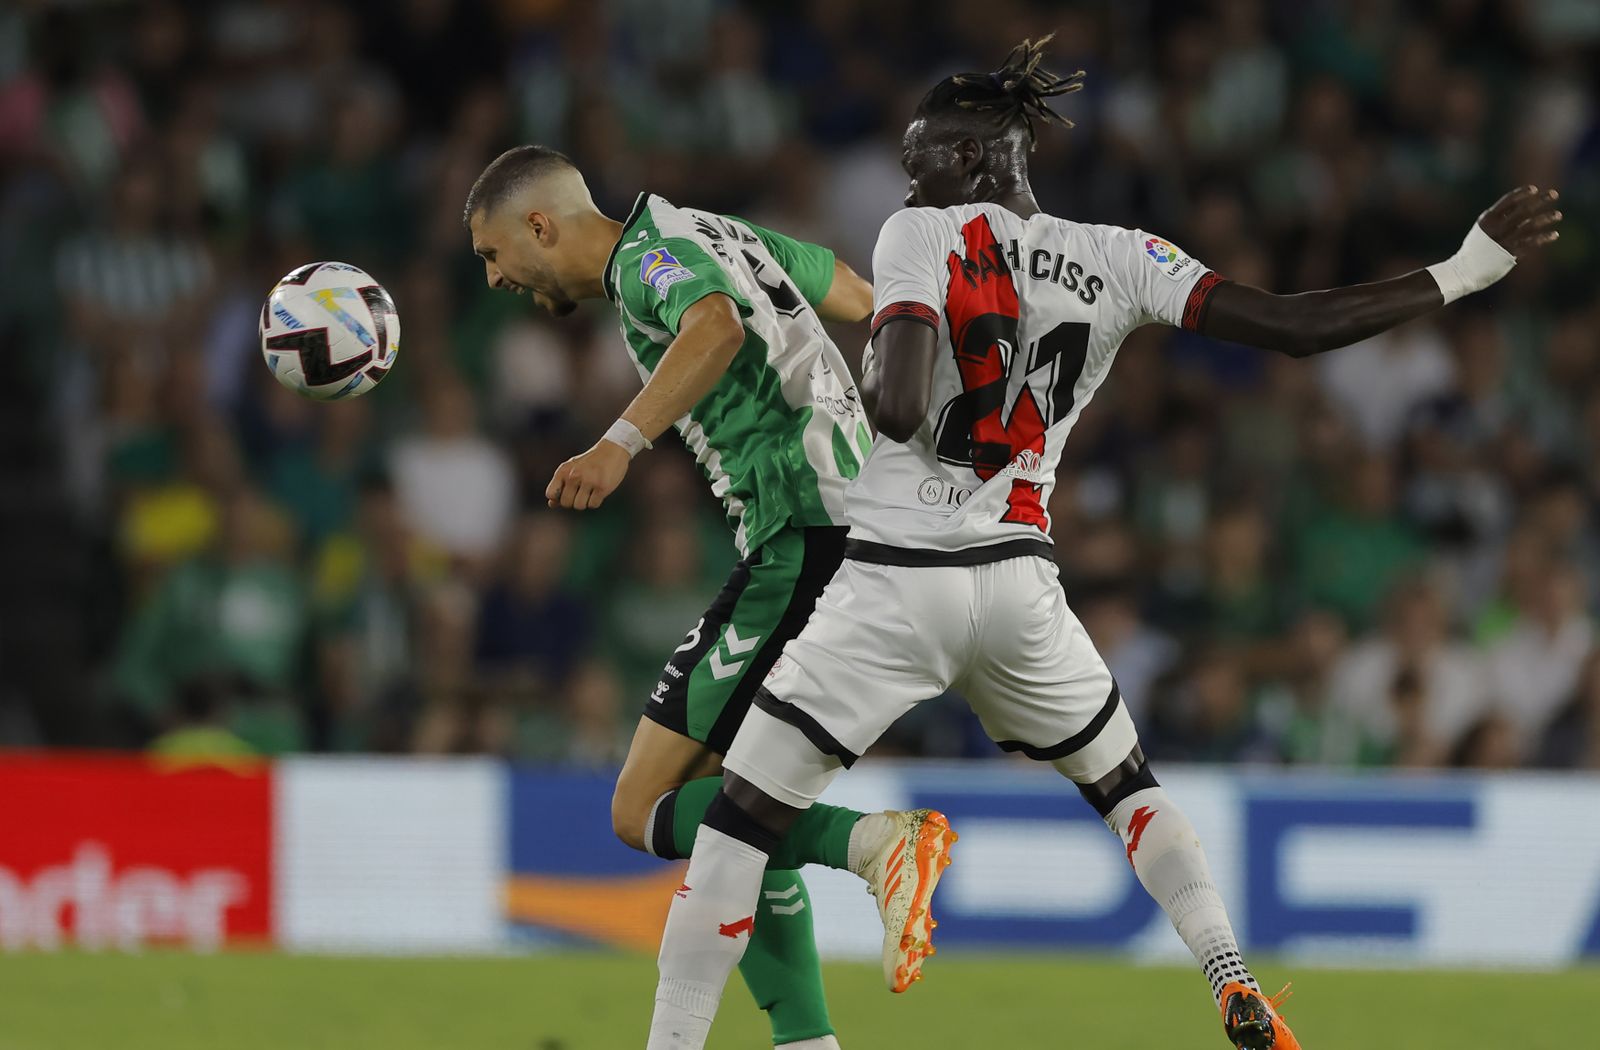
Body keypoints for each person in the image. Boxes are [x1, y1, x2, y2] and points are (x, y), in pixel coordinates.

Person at [644, 35, 1563, 1050]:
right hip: (1018, 590)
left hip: (895, 583)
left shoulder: (919, 234)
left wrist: (862, 376)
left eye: (925, 155)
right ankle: (1228, 973)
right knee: (1128, 790)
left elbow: (899, 406)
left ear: (979, 158)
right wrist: (1468, 267)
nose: (910, 173)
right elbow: (1292, 327)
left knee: (737, 823)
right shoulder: (1124, 255)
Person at [463, 147, 957, 1050]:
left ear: (540, 227)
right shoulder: (712, 231)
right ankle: (807, 1041)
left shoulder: (650, 261)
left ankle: (874, 845)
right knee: (740, 808)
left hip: (805, 539)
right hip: (850, 528)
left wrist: (619, 441)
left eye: (494, 255)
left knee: (641, 809)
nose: (495, 277)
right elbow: (848, 287)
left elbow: (718, 328)